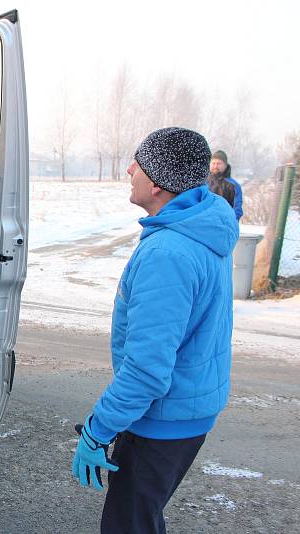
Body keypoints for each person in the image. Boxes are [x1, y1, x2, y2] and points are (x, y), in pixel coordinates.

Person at [71, 127, 239, 533]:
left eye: (139, 164)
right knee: (141, 519)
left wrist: (98, 430)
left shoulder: (169, 253)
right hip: (184, 412)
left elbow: (147, 370)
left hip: (162, 420)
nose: (130, 169)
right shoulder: (200, 228)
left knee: (128, 526)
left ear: (160, 183)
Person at [208, 150, 243, 221]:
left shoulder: (233, 185)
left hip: (224, 225)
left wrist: (227, 222)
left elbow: (237, 210)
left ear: (225, 165)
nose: (215, 166)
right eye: (213, 163)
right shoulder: (202, 182)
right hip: (203, 224)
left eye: (219, 163)